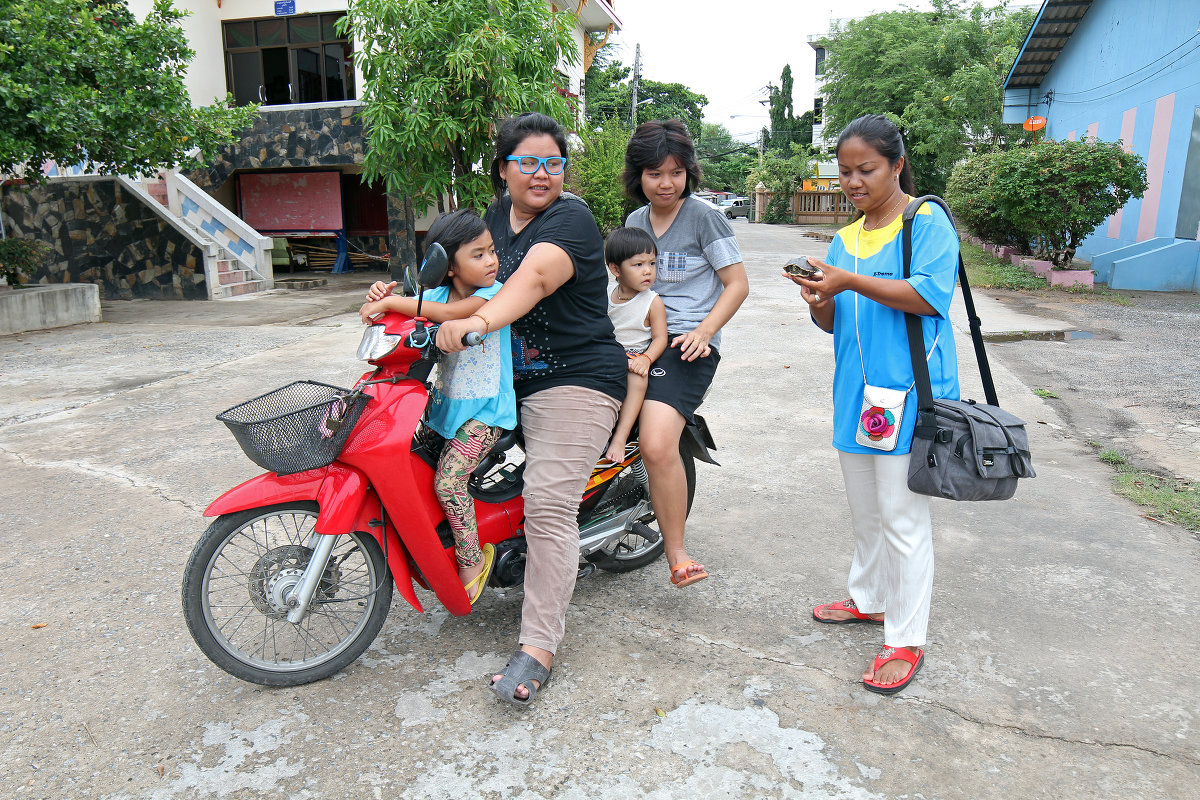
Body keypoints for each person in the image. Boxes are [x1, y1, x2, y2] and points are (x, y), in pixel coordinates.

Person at [369, 112, 626, 706]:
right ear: (503, 168)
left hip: (576, 378)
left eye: (553, 163)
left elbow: (530, 281)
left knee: (547, 505)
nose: (541, 174)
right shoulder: (490, 218)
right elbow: (456, 280)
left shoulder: (572, 219)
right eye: (527, 162)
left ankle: (537, 646)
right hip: (504, 378)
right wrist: (402, 301)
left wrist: (479, 324)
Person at [784, 113, 960, 695]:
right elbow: (833, 322)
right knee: (866, 513)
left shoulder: (925, 221)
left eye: (867, 170)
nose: (853, 182)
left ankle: (906, 638)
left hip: (908, 394)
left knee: (903, 519)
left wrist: (849, 282)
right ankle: (869, 599)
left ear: (896, 165)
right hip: (856, 394)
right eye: (845, 172)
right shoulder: (845, 238)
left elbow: (929, 297)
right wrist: (817, 297)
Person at [358, 209, 516, 604]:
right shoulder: (436, 294)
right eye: (478, 255)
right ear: (447, 267)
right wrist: (380, 300)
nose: (492, 261)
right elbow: (413, 310)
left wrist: (397, 302)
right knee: (407, 464)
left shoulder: (494, 294)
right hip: (443, 407)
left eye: (492, 251)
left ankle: (471, 560)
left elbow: (451, 316)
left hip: (485, 413)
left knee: (448, 482)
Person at [622, 119, 749, 589]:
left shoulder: (704, 217)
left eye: (675, 172)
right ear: (639, 175)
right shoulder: (635, 222)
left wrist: (705, 330)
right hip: (636, 338)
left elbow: (737, 284)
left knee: (656, 444)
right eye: (654, 173)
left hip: (684, 345)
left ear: (688, 173)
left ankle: (676, 551)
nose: (665, 183)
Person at [602, 226, 668, 465]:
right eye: (638, 265)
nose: (647, 271)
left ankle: (620, 437)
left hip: (634, 357)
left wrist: (646, 359)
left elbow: (661, 338)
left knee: (638, 380)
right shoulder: (606, 294)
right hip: (608, 354)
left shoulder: (652, 301)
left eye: (652, 263)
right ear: (615, 269)